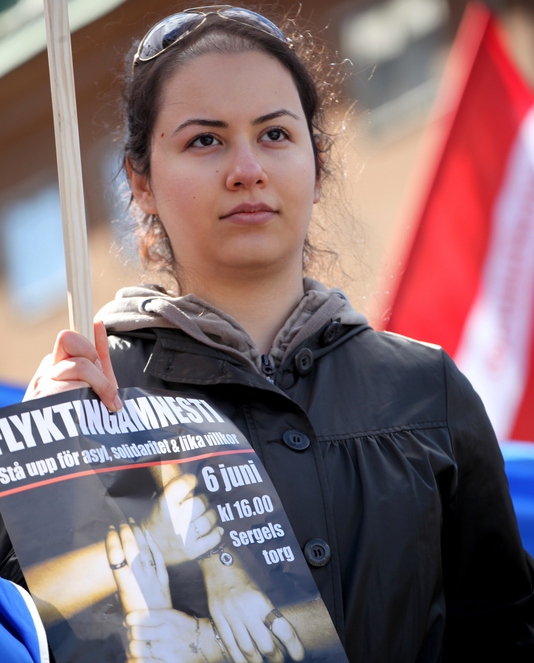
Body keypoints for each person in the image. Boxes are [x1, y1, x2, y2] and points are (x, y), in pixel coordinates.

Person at [11, 4, 534, 662]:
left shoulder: (429, 392)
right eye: (205, 140)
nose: (247, 168)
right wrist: (37, 478)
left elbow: (504, 635)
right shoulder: (89, 399)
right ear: (140, 182)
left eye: (275, 134)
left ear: (317, 161)